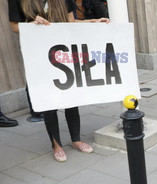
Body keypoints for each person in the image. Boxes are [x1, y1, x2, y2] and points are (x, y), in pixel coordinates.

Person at [8, 0, 109, 162]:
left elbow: (71, 22)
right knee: (49, 101)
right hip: (38, 53)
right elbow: (13, 26)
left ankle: (76, 139)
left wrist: (93, 21)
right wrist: (32, 24)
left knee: (71, 96)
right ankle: (56, 145)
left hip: (63, 51)